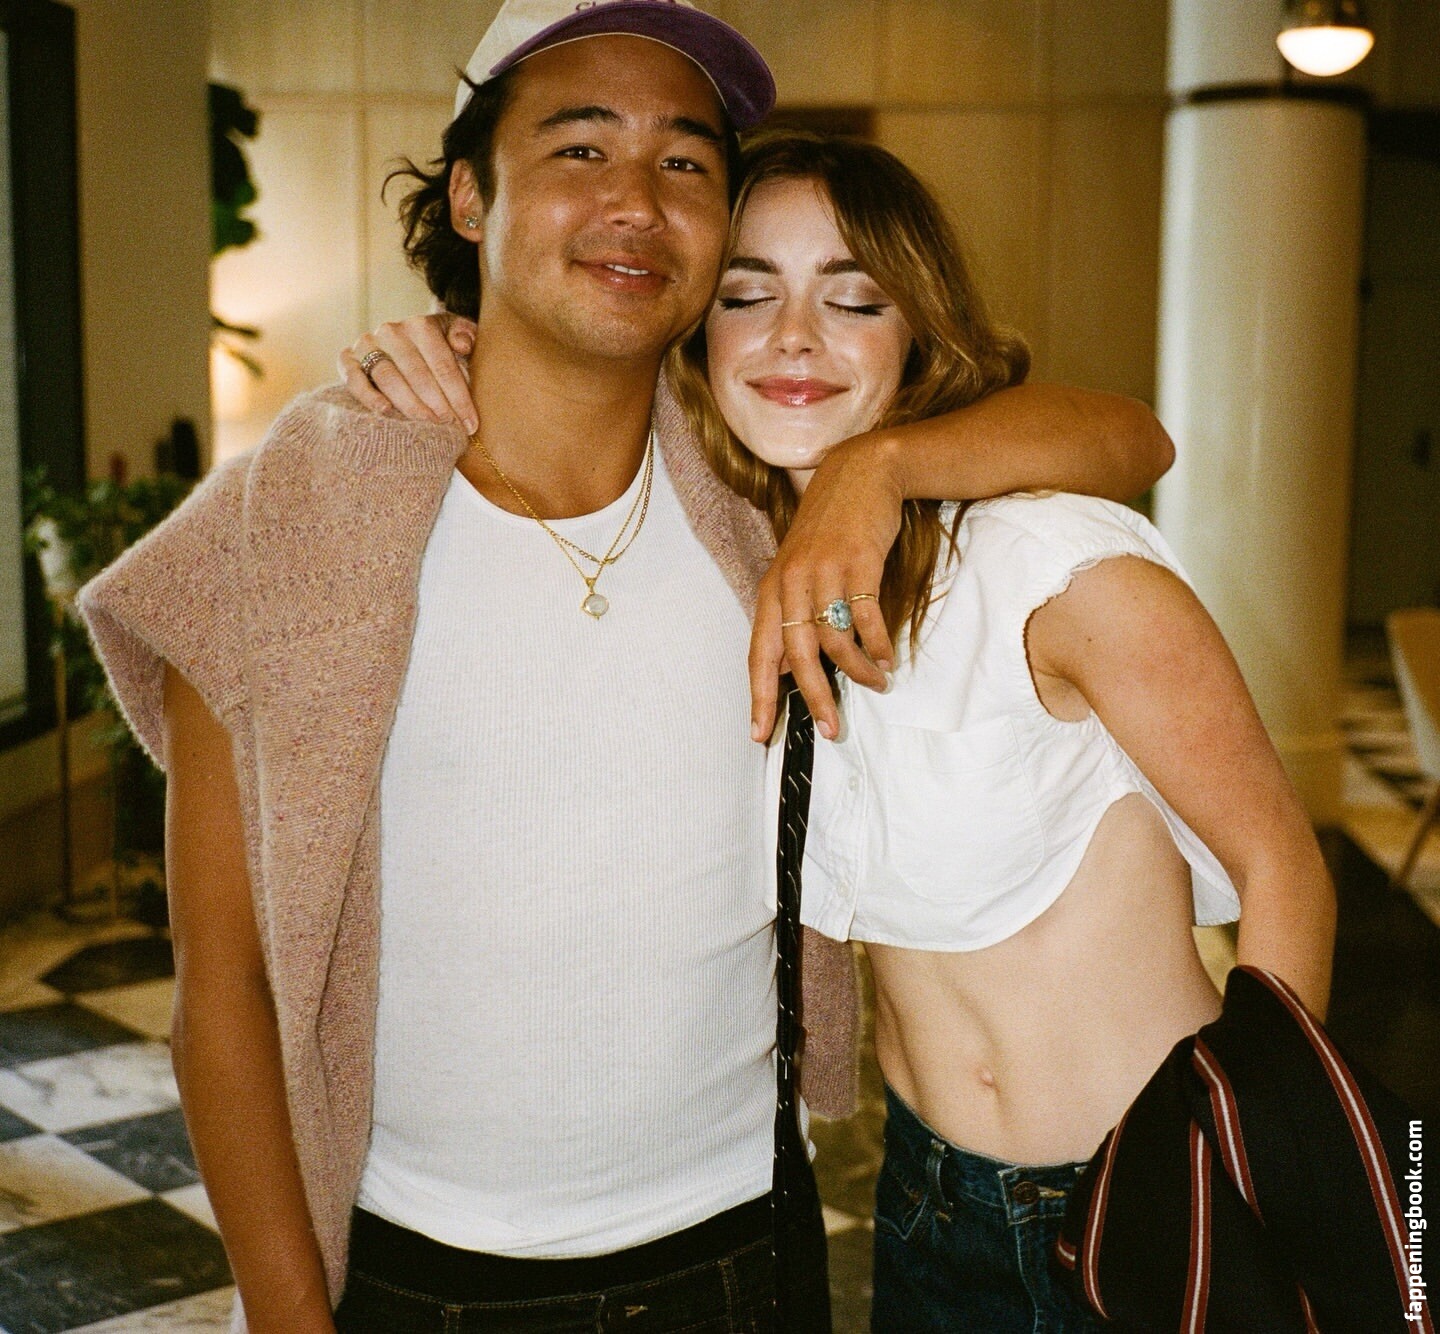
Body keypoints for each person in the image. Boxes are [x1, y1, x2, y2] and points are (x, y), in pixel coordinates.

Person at [80, 4, 1173, 1332]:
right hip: (422, 1276)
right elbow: (226, 984)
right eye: (581, 147)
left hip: (743, 1256)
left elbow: (1128, 437)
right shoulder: (296, 524)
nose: (639, 202)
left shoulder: (763, 489)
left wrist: (880, 468)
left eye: (686, 162)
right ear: (471, 196)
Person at [369, 130, 1338, 1333]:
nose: (793, 336)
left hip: (1141, 1193)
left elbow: (1283, 865)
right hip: (923, 1204)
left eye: (854, 298)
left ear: (917, 331)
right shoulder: (741, 558)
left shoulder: (1049, 565)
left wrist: (1242, 1170)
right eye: (747, 295)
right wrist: (437, 344)